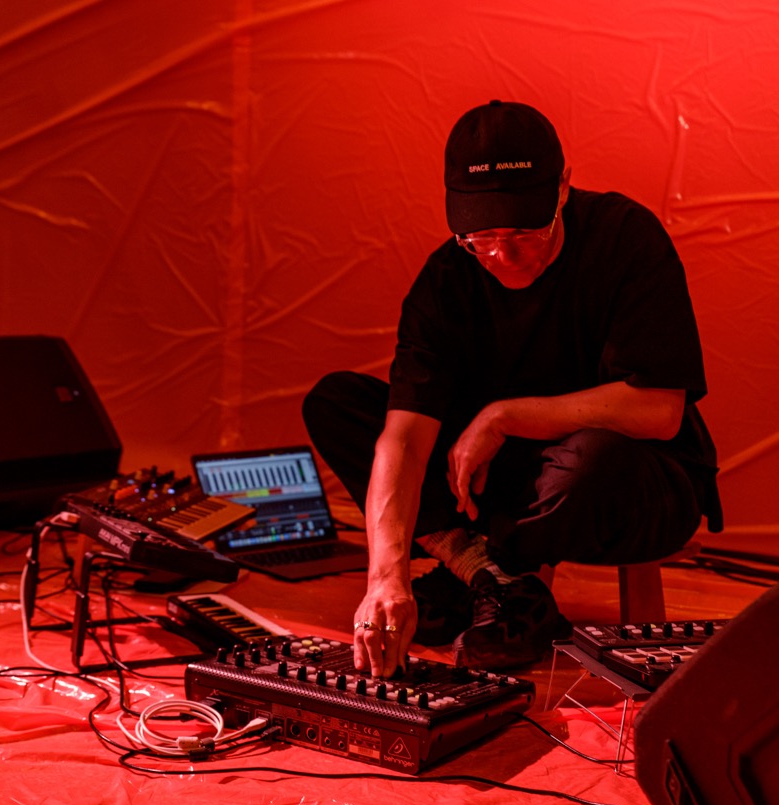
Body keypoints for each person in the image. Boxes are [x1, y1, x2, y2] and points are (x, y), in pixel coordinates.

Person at [302, 100, 721, 677]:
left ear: (563, 188)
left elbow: (659, 411)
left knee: (590, 463)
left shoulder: (625, 237)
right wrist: (385, 577)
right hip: (497, 485)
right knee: (338, 405)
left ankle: (488, 581)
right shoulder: (448, 277)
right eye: (481, 236)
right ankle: (491, 579)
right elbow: (404, 439)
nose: (503, 255)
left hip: (626, 482)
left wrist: (504, 416)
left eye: (525, 231)